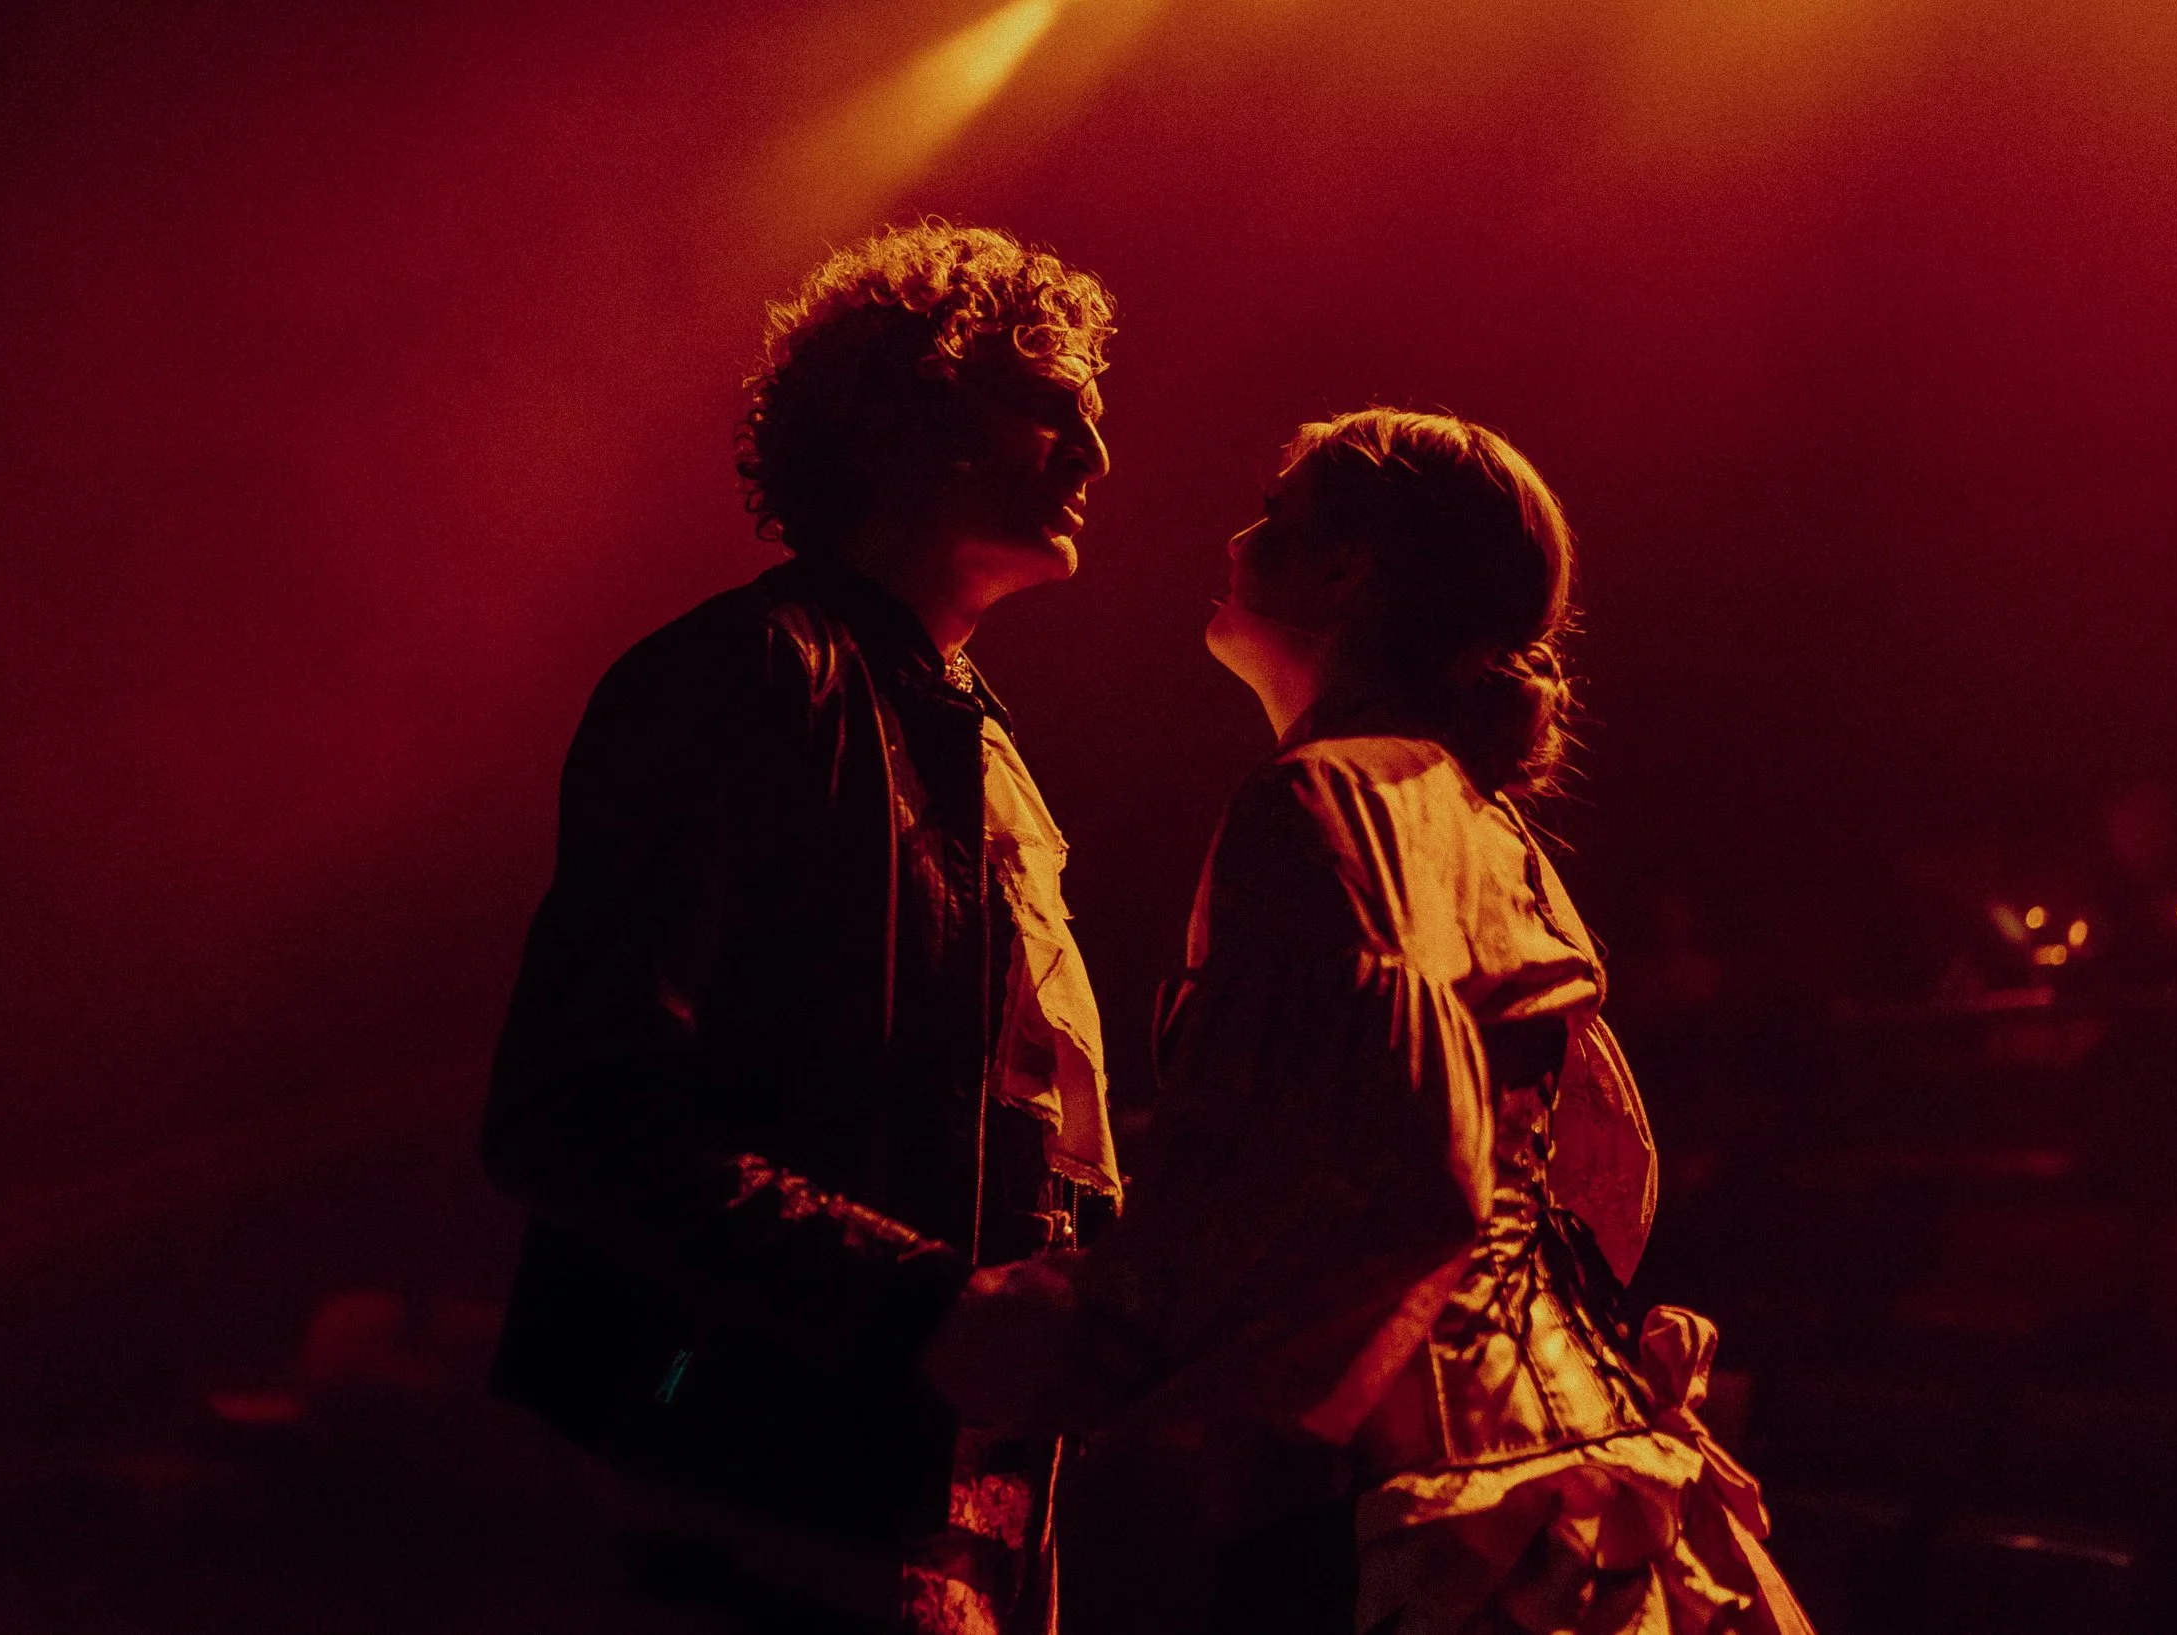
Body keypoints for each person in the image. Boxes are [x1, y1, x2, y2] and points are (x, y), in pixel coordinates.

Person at [927, 408, 1812, 1634]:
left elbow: (1383, 1160)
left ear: (1345, 569)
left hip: (1420, 1513)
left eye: (1274, 518)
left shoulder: (1320, 796)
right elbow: (1610, 1183)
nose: (1237, 536)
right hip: (1565, 1467)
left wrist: (1079, 1314)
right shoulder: (1477, 815)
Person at [482, 221, 1122, 1633]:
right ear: (918, 416)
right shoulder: (742, 678)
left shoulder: (970, 735)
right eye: (1054, 410)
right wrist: (925, 1307)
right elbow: (572, 1113)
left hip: (902, 1520)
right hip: (729, 1517)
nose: (1098, 458)